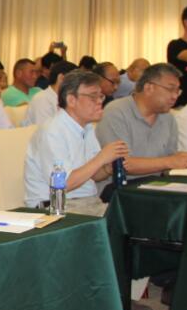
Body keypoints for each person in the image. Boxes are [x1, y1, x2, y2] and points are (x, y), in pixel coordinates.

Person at [24, 71, 129, 216]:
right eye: (93, 96)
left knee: (133, 217)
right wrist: (101, 158)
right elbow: (62, 184)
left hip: (87, 202)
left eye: (100, 96)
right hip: (55, 206)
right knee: (122, 223)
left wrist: (108, 168)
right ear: (71, 100)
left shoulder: (87, 127)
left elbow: (94, 175)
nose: (100, 101)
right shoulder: (53, 131)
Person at [95, 63, 187, 176]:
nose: (175, 96)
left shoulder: (168, 118)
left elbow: (170, 160)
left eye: (177, 91)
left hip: (156, 184)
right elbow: (121, 164)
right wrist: (169, 162)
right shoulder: (116, 111)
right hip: (121, 184)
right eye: (170, 89)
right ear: (148, 88)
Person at [25, 61, 77, 128]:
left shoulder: (68, 99)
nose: (78, 85)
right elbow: (45, 130)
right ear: (61, 78)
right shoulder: (42, 99)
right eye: (75, 81)